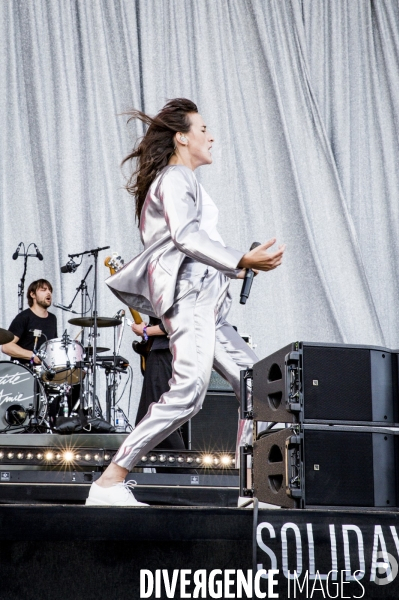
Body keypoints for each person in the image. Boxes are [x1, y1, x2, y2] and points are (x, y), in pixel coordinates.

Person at [86, 98, 285, 506]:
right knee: (189, 393)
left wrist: (234, 268)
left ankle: (252, 490)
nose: (211, 136)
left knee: (257, 386)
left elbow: (194, 245)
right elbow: (185, 238)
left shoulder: (186, 181)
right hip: (190, 302)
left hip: (208, 304)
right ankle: (109, 481)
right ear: (181, 137)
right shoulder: (175, 178)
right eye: (203, 129)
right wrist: (240, 259)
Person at [131, 319, 186, 452]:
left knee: (157, 417)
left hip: (165, 352)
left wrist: (146, 331)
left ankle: (184, 470)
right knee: (144, 420)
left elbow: (178, 321)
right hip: (164, 351)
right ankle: (166, 471)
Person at [2, 279, 57, 365]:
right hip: (24, 372)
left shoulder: (53, 318)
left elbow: (53, 347)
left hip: (44, 372)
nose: (48, 292)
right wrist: (32, 355)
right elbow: (7, 346)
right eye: (43, 290)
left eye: (50, 290)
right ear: (32, 294)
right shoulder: (23, 317)